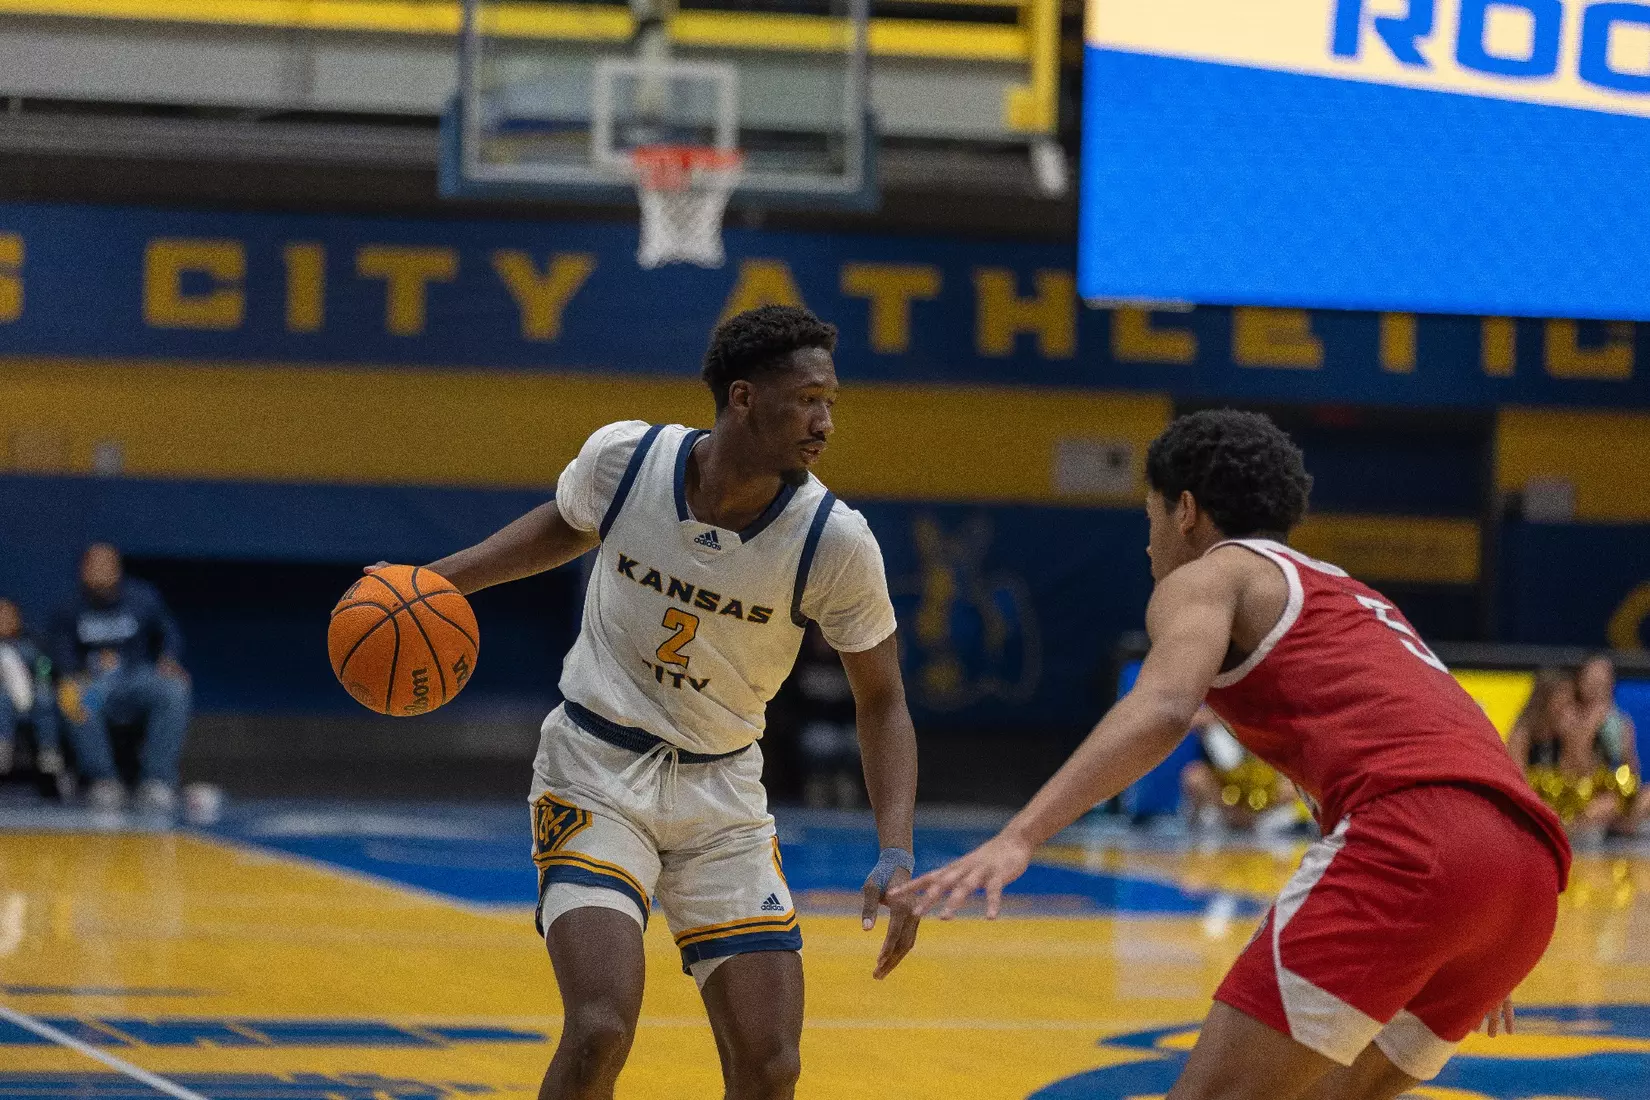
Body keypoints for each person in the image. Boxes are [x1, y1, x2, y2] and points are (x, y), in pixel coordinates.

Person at [896, 409, 1571, 1100]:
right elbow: (1452, 743)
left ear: (1185, 510)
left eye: (1150, 517)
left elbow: (1162, 708)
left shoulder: (1212, 576)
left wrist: (1019, 836)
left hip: (1421, 843)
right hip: (1525, 874)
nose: (1149, 544)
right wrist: (1479, 923)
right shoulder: (1355, 597)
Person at [381, 305, 921, 1100]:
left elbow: (882, 700)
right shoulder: (626, 461)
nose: (825, 422)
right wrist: (440, 580)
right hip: (595, 769)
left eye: (831, 402)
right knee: (600, 1026)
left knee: (771, 1065)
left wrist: (897, 849)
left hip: (723, 795)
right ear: (742, 398)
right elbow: (566, 525)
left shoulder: (833, 542)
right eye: (808, 400)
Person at [51, 543, 193, 813]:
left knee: (174, 690)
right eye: (93, 565)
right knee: (74, 695)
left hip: (136, 679)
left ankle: (157, 781)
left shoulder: (143, 598)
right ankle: (103, 780)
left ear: (118, 569)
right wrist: (75, 673)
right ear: (83, 570)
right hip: (95, 686)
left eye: (106, 565)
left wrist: (169, 659)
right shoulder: (68, 608)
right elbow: (61, 653)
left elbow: (169, 633)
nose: (100, 571)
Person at [1510, 660, 1644, 837]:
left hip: (1568, 805)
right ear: (1546, 701)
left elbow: (1577, 773)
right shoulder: (1523, 734)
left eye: (1570, 702)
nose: (1568, 708)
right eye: (1564, 701)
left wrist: (1581, 736)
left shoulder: (1573, 730)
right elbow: (1516, 782)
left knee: (1613, 803)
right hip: (1538, 805)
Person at [1178, 705, 1300, 833]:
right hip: (1226, 795)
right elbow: (1188, 718)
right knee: (1194, 777)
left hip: (1262, 792)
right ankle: (1235, 818)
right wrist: (1216, 718)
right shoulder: (1212, 712)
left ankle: (1251, 819)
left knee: (1291, 785)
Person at [0, 597, 67, 790]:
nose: (4, 621)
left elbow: (45, 670)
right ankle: (3, 747)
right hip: (4, 702)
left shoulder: (32, 644)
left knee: (45, 698)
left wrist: (40, 679)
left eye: (9, 616)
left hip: (30, 699)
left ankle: (49, 752)